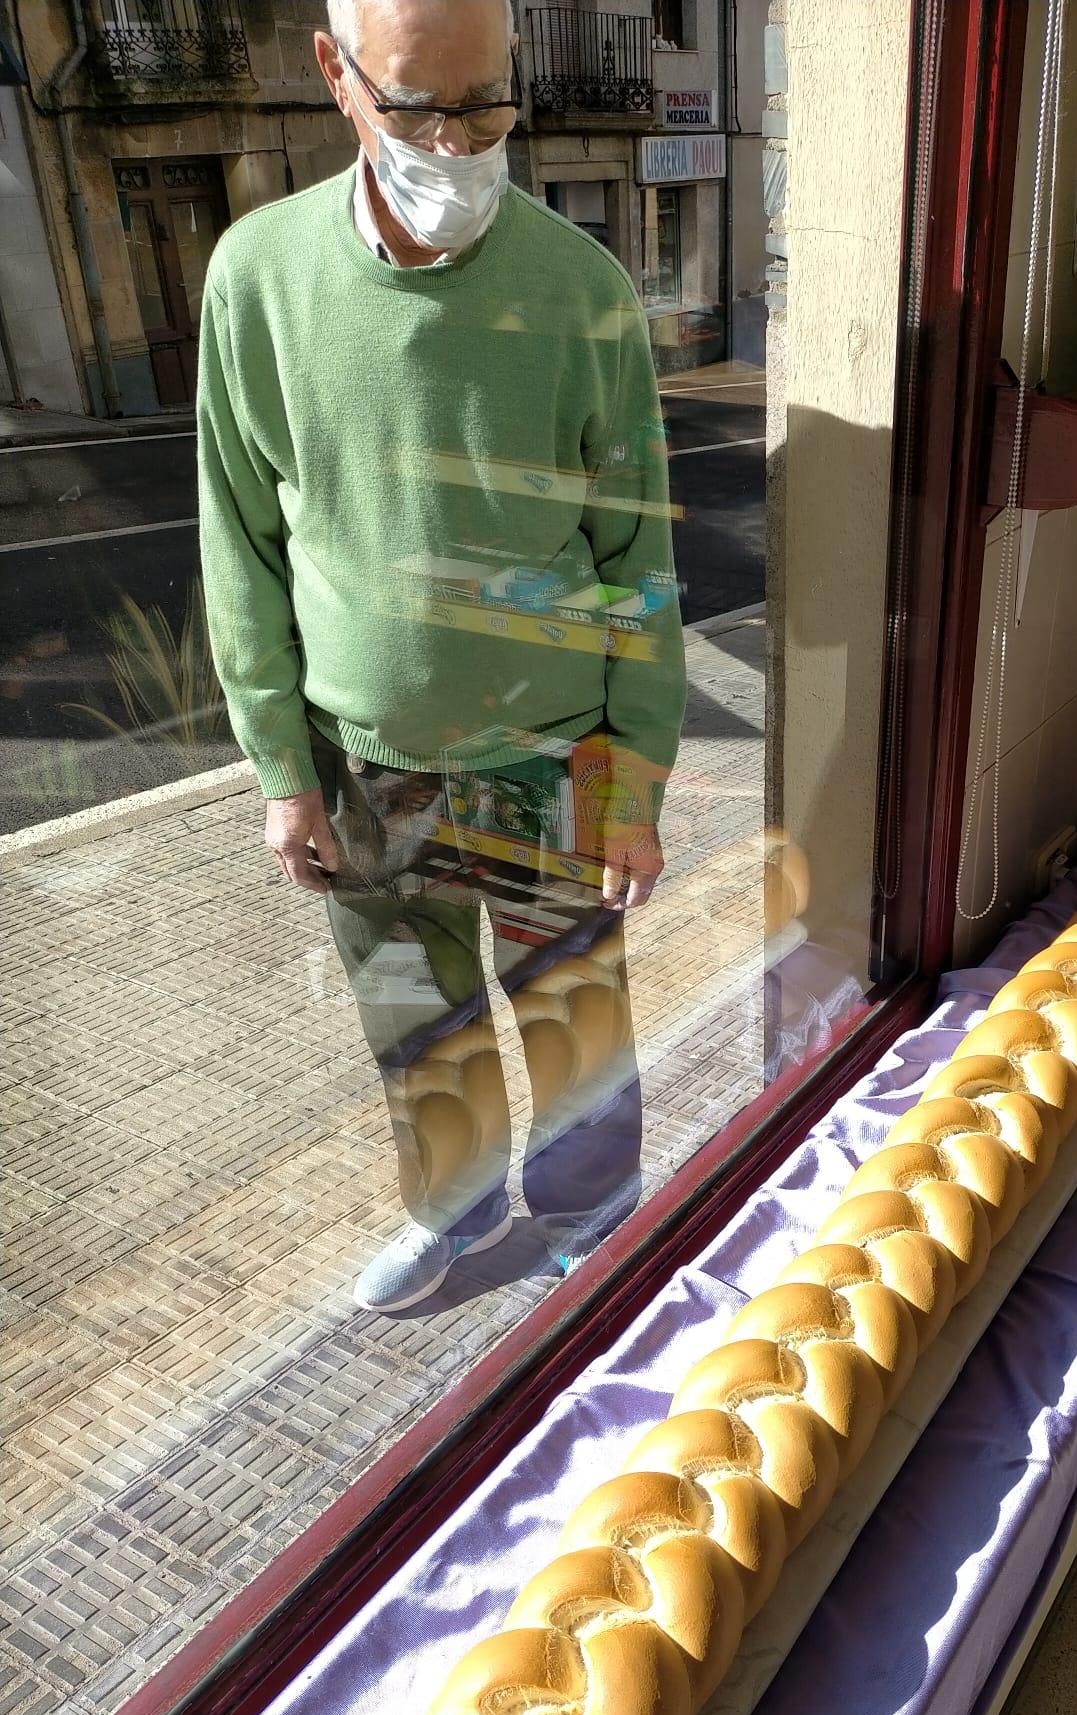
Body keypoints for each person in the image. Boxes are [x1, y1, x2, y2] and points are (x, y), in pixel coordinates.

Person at [197, 0, 685, 1311]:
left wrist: (632, 776)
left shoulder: (583, 293)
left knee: (574, 1016)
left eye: (488, 104)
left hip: (547, 757)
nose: (460, 144)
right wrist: (279, 772)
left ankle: (592, 1212)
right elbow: (240, 540)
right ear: (335, 75)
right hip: (362, 765)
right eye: (420, 106)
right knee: (417, 1024)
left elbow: (637, 556)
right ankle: (458, 1219)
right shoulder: (257, 278)